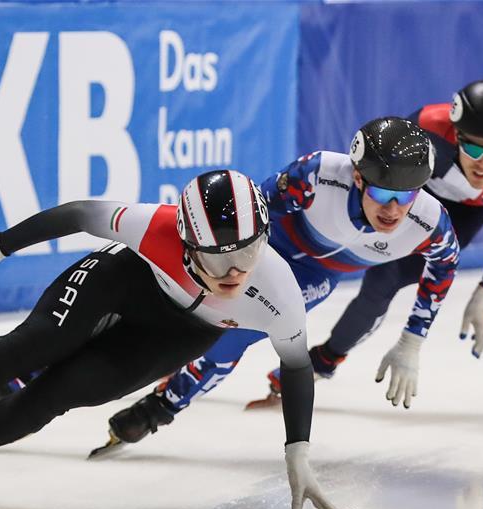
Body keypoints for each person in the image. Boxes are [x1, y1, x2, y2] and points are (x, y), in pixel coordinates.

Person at [0, 169, 350, 509]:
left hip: (182, 333)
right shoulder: (156, 227)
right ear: (188, 240)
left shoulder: (277, 289)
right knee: (35, 345)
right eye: (217, 259)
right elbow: (78, 214)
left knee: (61, 392)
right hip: (128, 280)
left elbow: (297, 367)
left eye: (250, 252)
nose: (235, 272)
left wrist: (298, 451)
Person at [103, 117, 460, 451]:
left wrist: (413, 338)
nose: (394, 209)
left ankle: (160, 407)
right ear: (358, 178)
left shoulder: (430, 223)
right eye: (383, 194)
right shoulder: (318, 174)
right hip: (265, 251)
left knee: (233, 333)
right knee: (178, 300)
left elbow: (444, 268)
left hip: (312, 277)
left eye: (408, 195)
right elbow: (250, 212)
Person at [311, 80, 483, 375]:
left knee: (384, 280)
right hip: (412, 195)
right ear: (456, 134)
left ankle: (322, 362)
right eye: (473, 148)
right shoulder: (427, 127)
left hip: (461, 217)